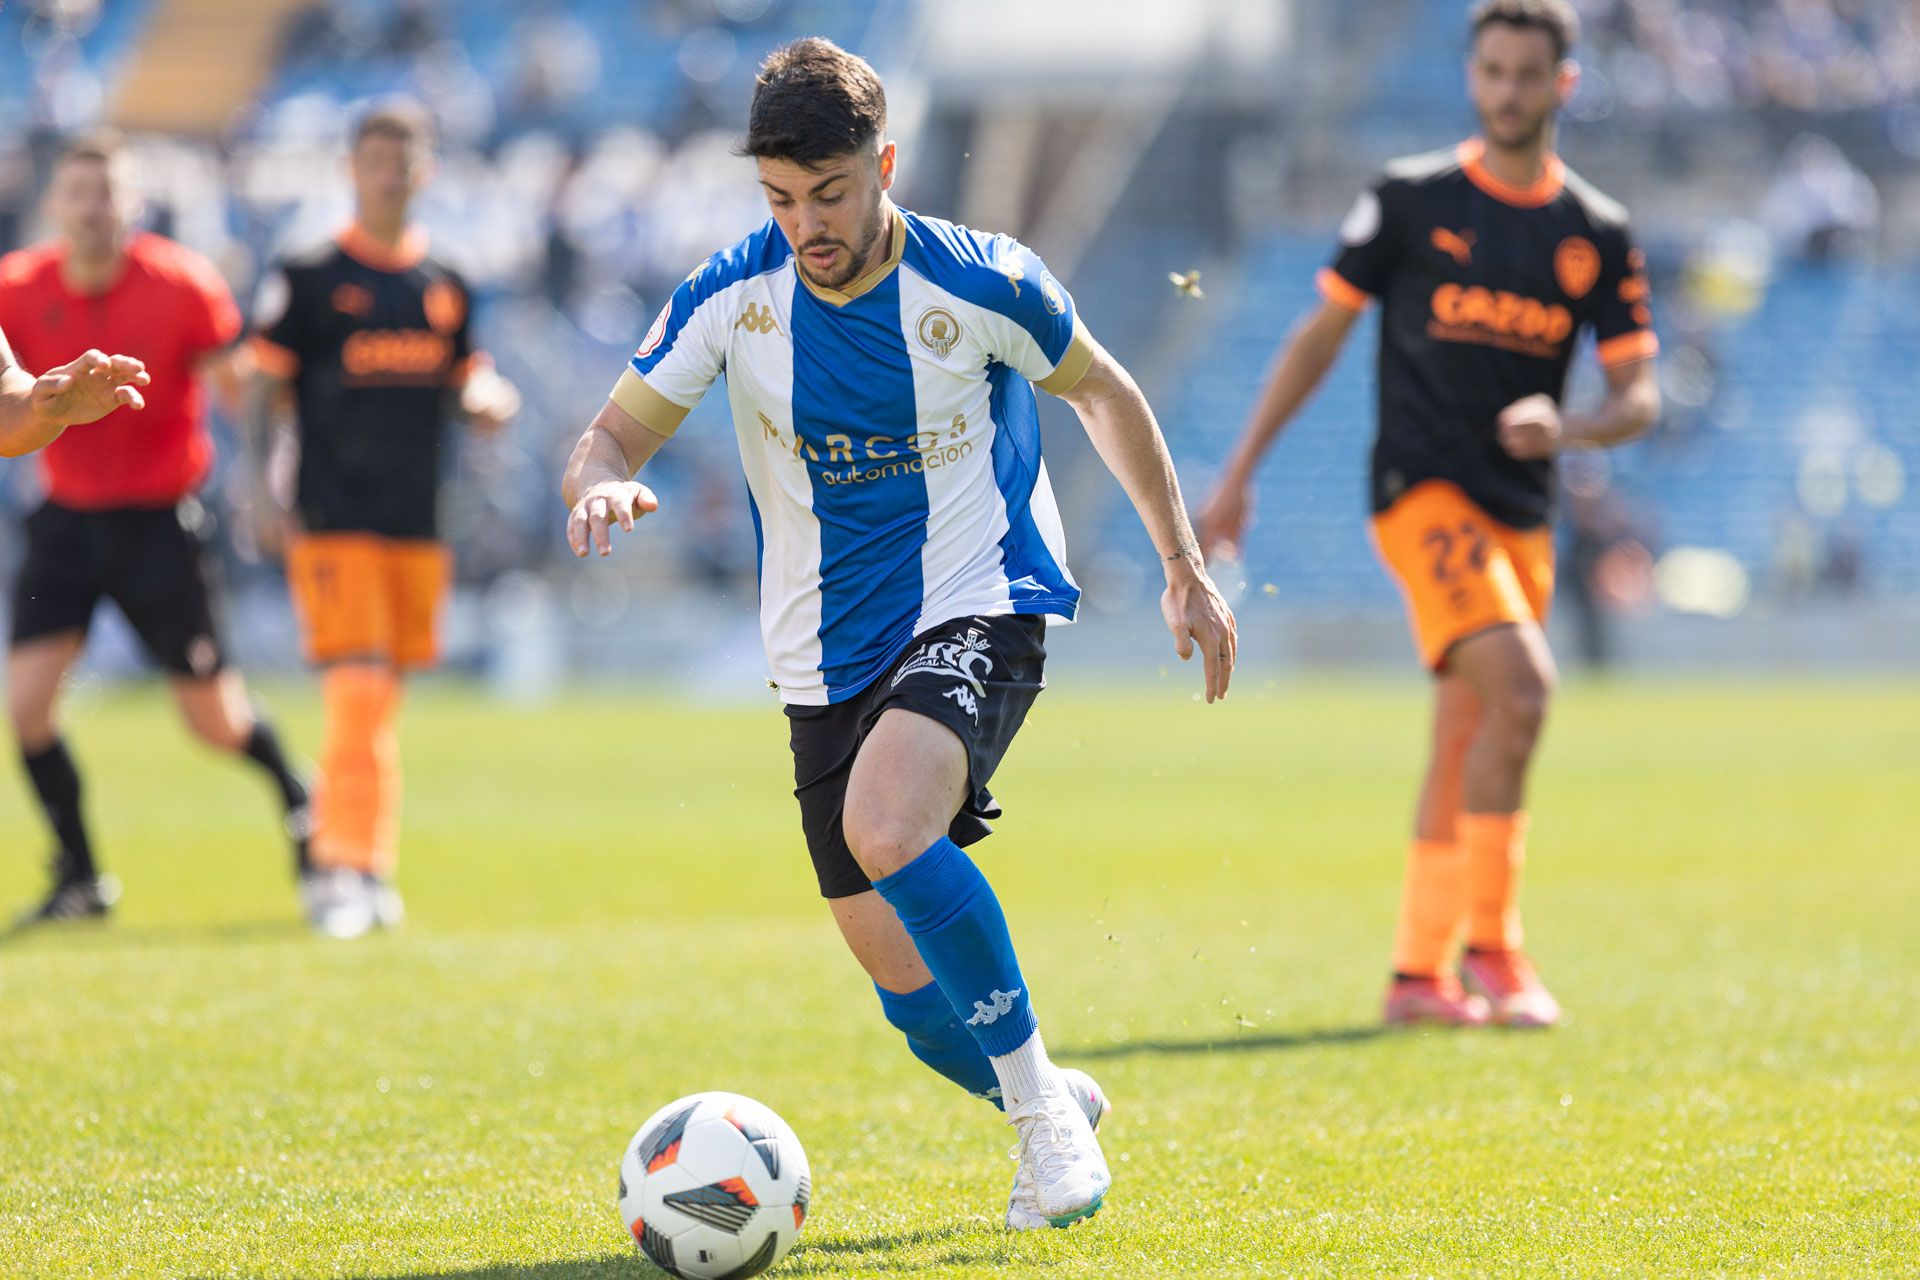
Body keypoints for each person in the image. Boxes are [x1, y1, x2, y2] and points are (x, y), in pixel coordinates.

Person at [563, 39, 1236, 1233]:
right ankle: (1049, 1090)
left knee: (887, 825)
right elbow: (610, 436)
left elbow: (1107, 395)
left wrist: (1184, 569)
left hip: (980, 596)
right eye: (780, 198)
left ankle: (1044, 1127)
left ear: (883, 163)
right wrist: (602, 482)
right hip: (822, 650)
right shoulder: (733, 293)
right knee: (912, 998)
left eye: (828, 193)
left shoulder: (983, 281)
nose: (806, 223)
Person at [1198, 0, 1661, 1029]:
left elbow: (1640, 397)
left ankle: (1418, 975)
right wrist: (1239, 474)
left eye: (1526, 74)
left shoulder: (1597, 232)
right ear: (1472, 75)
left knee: (1469, 731)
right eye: (1490, 70)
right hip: (1421, 495)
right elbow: (1320, 336)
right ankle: (1494, 947)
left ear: (1563, 85)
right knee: (1526, 692)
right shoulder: (1409, 200)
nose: (1505, 90)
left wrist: (1572, 425)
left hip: (1522, 520)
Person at [0, 132, 311, 927]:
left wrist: (265, 489)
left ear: (132, 203)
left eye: (109, 192)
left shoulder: (183, 283)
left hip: (158, 523)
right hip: (65, 519)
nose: (94, 208)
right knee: (26, 707)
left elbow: (242, 392)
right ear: (56, 204)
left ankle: (299, 797)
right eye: (79, 192)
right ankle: (81, 879)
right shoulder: (16, 286)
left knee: (214, 721)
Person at [248, 100, 519, 940]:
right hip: (334, 516)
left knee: (379, 705)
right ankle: (341, 869)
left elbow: (473, 374)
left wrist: (487, 398)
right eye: (375, 161)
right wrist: (258, 488)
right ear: (352, 170)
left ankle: (369, 864)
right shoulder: (311, 272)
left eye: (404, 161)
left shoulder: (446, 282)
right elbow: (263, 384)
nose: (390, 175)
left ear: (423, 170)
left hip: (415, 521)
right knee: (358, 693)